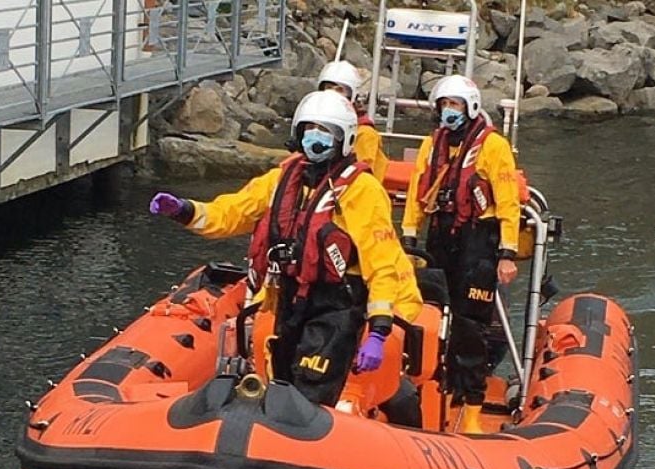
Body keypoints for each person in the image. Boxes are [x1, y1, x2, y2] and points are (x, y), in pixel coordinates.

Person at [150, 90, 423, 411]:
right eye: (309, 129)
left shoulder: (362, 191)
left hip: (335, 307)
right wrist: (185, 210)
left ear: (344, 139)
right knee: (279, 382)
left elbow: (382, 265)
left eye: (326, 132)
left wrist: (378, 330)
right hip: (288, 300)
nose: (315, 138)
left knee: (309, 393)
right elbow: (232, 212)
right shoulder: (283, 178)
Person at [400, 75, 520, 434]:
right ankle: (434, 389)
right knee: (431, 315)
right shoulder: (432, 145)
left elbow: (507, 200)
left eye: (454, 105)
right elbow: (417, 188)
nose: (448, 112)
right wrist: (408, 236)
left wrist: (507, 252)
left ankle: (471, 404)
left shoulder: (492, 146)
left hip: (478, 242)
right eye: (443, 105)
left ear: (470, 107)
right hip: (440, 239)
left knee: (470, 325)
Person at [317, 60, 390, 183]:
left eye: (339, 89)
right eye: (328, 88)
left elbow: (362, 175)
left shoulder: (365, 134)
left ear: (353, 95)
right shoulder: (315, 127)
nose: (333, 94)